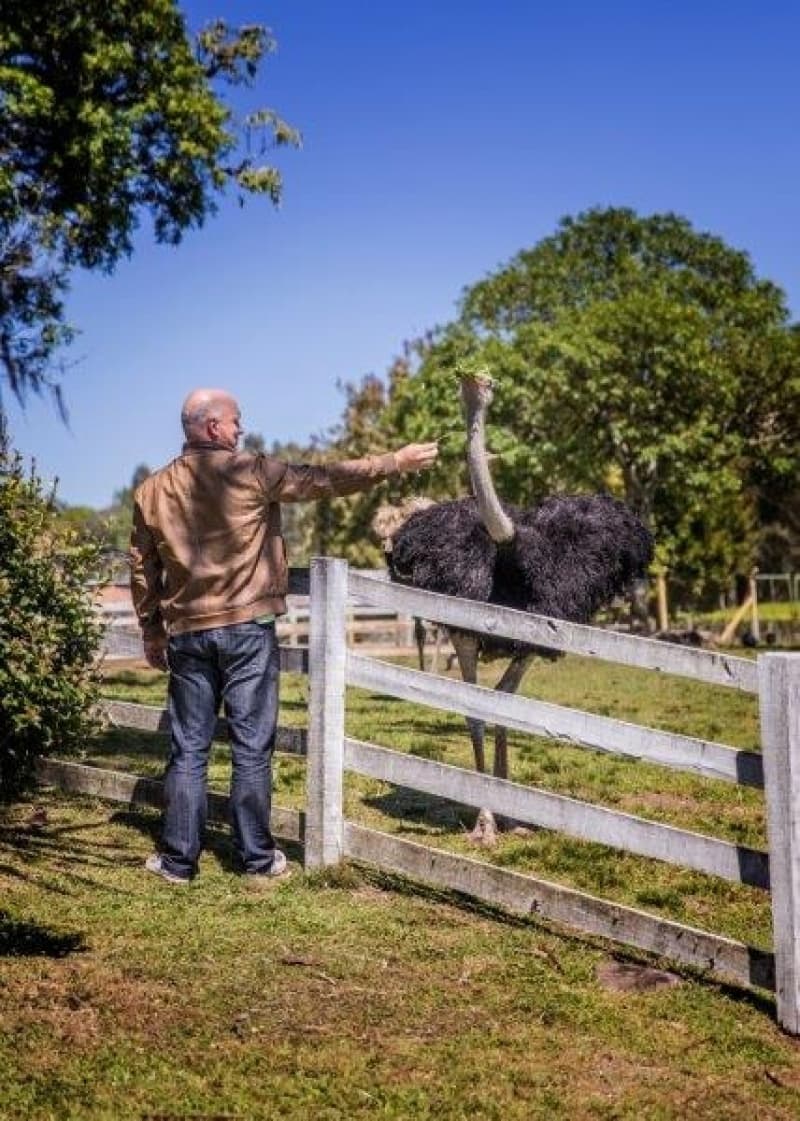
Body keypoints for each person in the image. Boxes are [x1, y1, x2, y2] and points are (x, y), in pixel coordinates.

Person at [130, 388, 438, 886]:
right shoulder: (250, 471)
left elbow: (142, 569)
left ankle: (178, 862)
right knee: (252, 747)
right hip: (248, 630)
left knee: (188, 750)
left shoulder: (151, 490)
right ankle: (257, 858)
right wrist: (393, 463)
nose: (241, 428)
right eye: (235, 421)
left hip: (187, 634)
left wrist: (151, 630)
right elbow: (323, 479)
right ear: (212, 427)